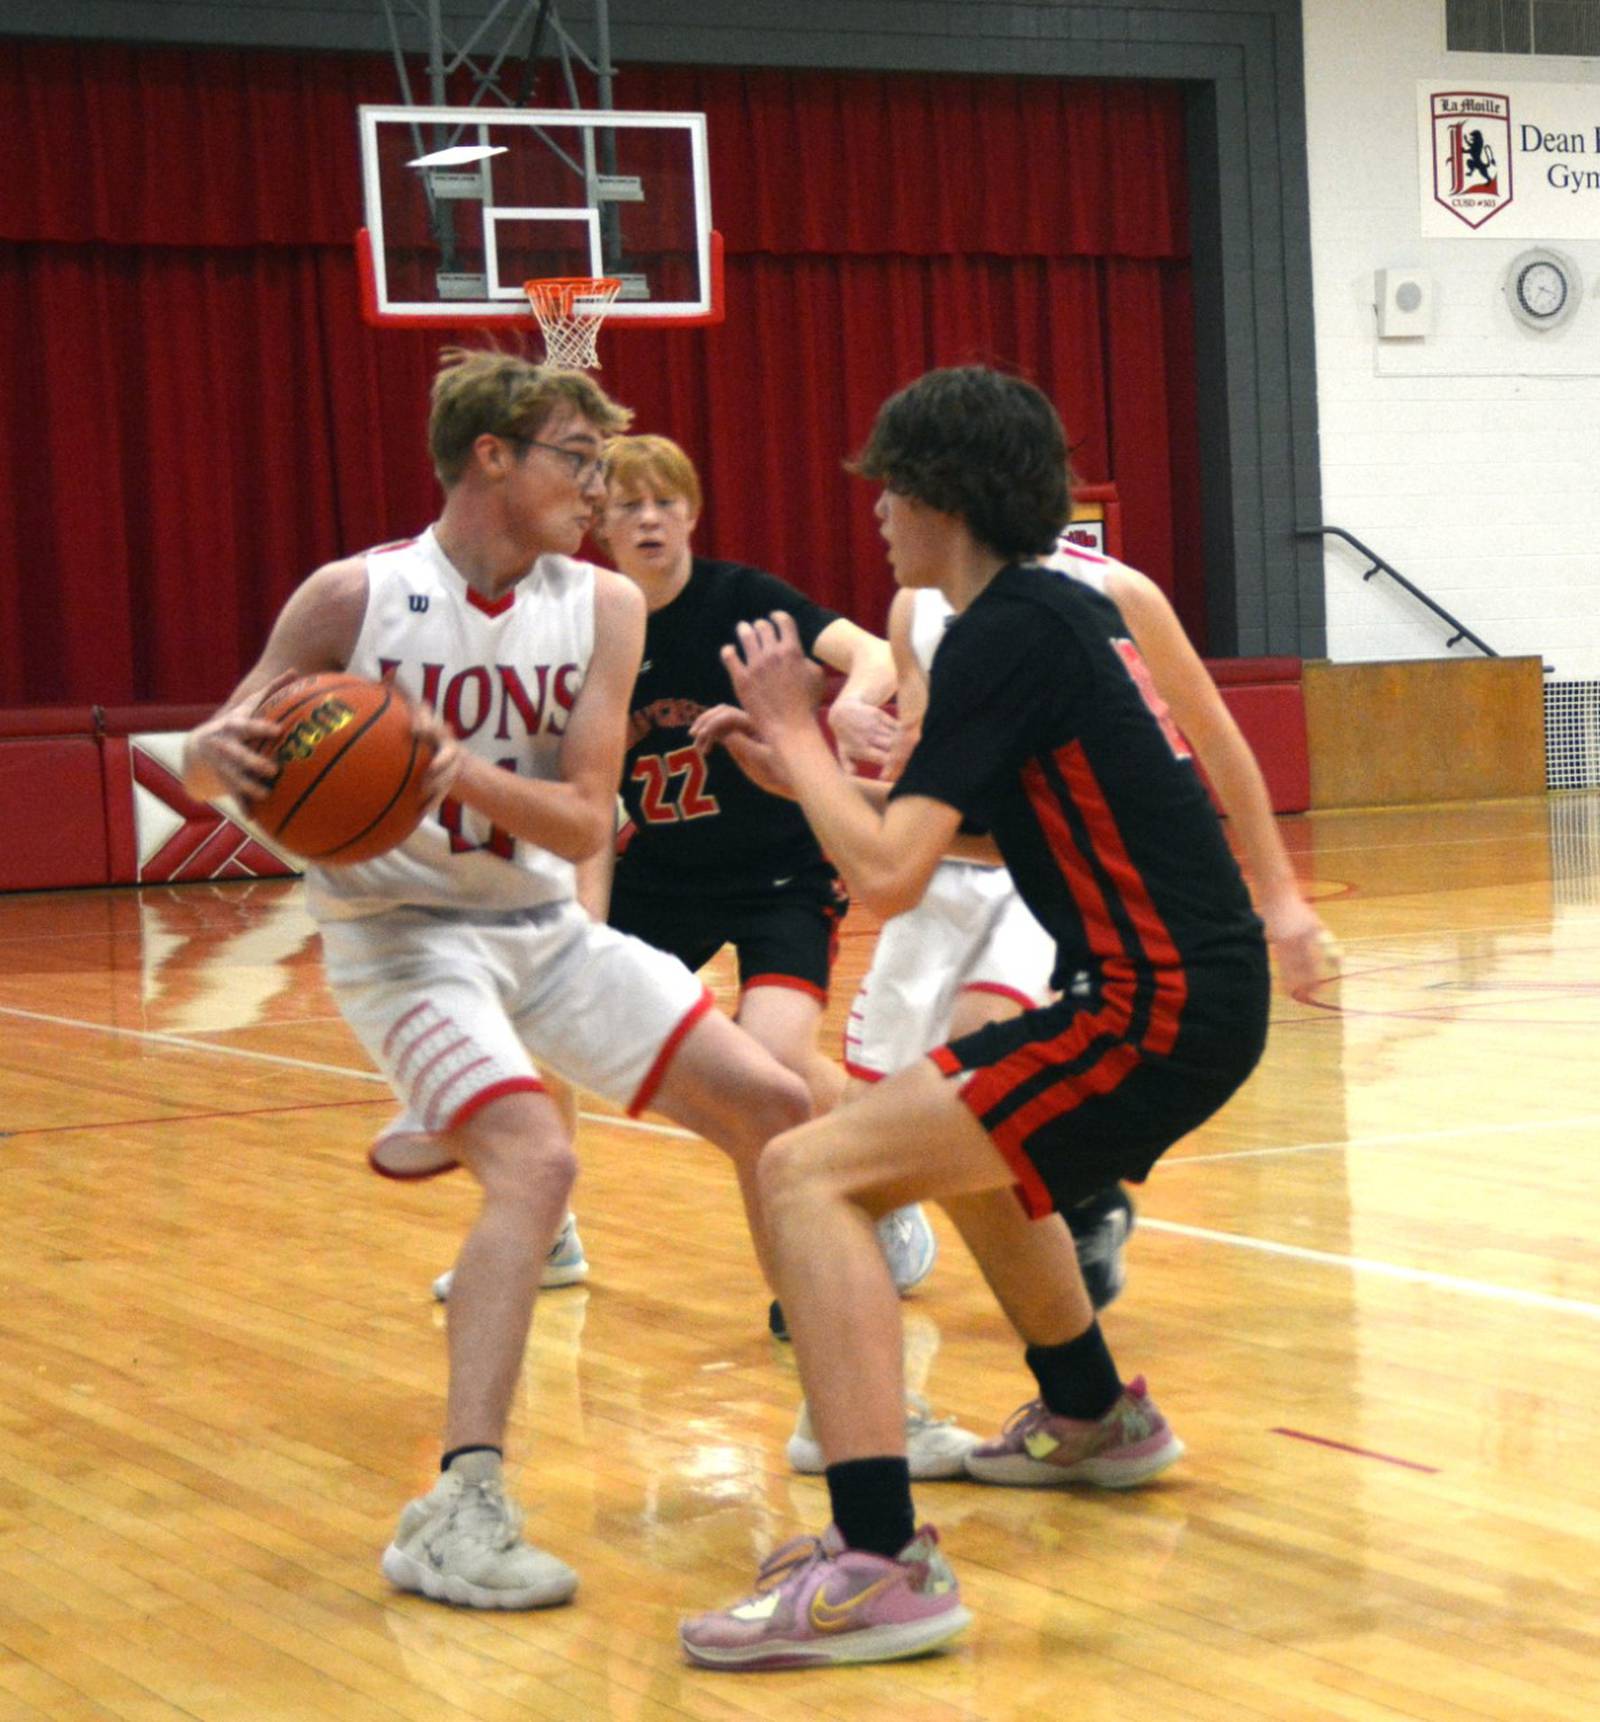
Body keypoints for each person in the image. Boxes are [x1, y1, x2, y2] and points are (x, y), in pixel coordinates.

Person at [182, 348, 811, 1613]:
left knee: (778, 1109)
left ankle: (852, 1417)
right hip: (400, 938)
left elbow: (581, 822)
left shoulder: (604, 607)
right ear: (490, 456)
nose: (598, 489)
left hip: (541, 926)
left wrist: (448, 768)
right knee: (536, 1161)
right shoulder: (352, 598)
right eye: (576, 460)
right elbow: (218, 768)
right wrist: (207, 751)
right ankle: (458, 1508)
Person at [679, 365, 1277, 1670]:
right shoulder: (1052, 614)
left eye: (890, 486)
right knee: (965, 1150)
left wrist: (796, 727)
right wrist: (800, 773)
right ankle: (1092, 1415)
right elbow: (992, 832)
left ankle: (875, 1563)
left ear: (940, 493)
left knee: (806, 1170)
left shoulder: (1006, 632)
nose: (876, 511)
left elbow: (887, 876)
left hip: (1154, 1003)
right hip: (1182, 990)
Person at [592, 434, 939, 1312]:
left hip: (778, 871)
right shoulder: (592, 625)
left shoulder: (741, 599)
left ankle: (881, 1177)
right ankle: (547, 1223)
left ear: (692, 514)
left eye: (666, 501)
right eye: (629, 504)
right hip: (661, 876)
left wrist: (849, 705)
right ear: (599, 523)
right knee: (550, 1013)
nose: (649, 519)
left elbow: (876, 654)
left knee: (775, 1056)